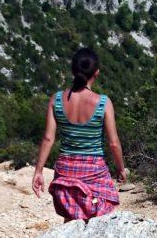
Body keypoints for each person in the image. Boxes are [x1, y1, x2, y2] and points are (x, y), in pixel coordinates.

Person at [32, 48, 127, 222]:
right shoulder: (103, 103)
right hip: (94, 172)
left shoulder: (56, 100)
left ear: (72, 70)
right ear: (96, 72)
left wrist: (38, 171)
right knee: (98, 221)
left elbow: (48, 139)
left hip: (65, 171)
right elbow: (114, 143)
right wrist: (121, 169)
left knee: (71, 220)